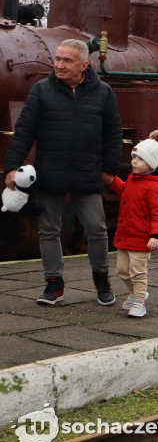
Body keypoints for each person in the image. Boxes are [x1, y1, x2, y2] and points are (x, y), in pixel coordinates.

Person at [4, 39, 122, 306]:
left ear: (84, 65)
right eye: (57, 59)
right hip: (50, 172)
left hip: (87, 172)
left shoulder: (103, 92)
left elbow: (114, 134)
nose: (59, 65)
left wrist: (108, 170)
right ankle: (53, 284)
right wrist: (11, 167)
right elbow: (24, 132)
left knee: (97, 229)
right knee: (48, 230)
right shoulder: (41, 91)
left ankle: (102, 279)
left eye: (67, 60)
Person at [105, 130, 158, 318]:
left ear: (151, 163)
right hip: (125, 234)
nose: (134, 161)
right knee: (122, 271)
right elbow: (125, 190)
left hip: (141, 238)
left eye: (139, 158)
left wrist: (155, 235)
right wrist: (110, 180)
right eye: (133, 156)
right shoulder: (133, 178)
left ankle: (140, 301)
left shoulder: (155, 187)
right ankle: (136, 293)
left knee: (138, 272)